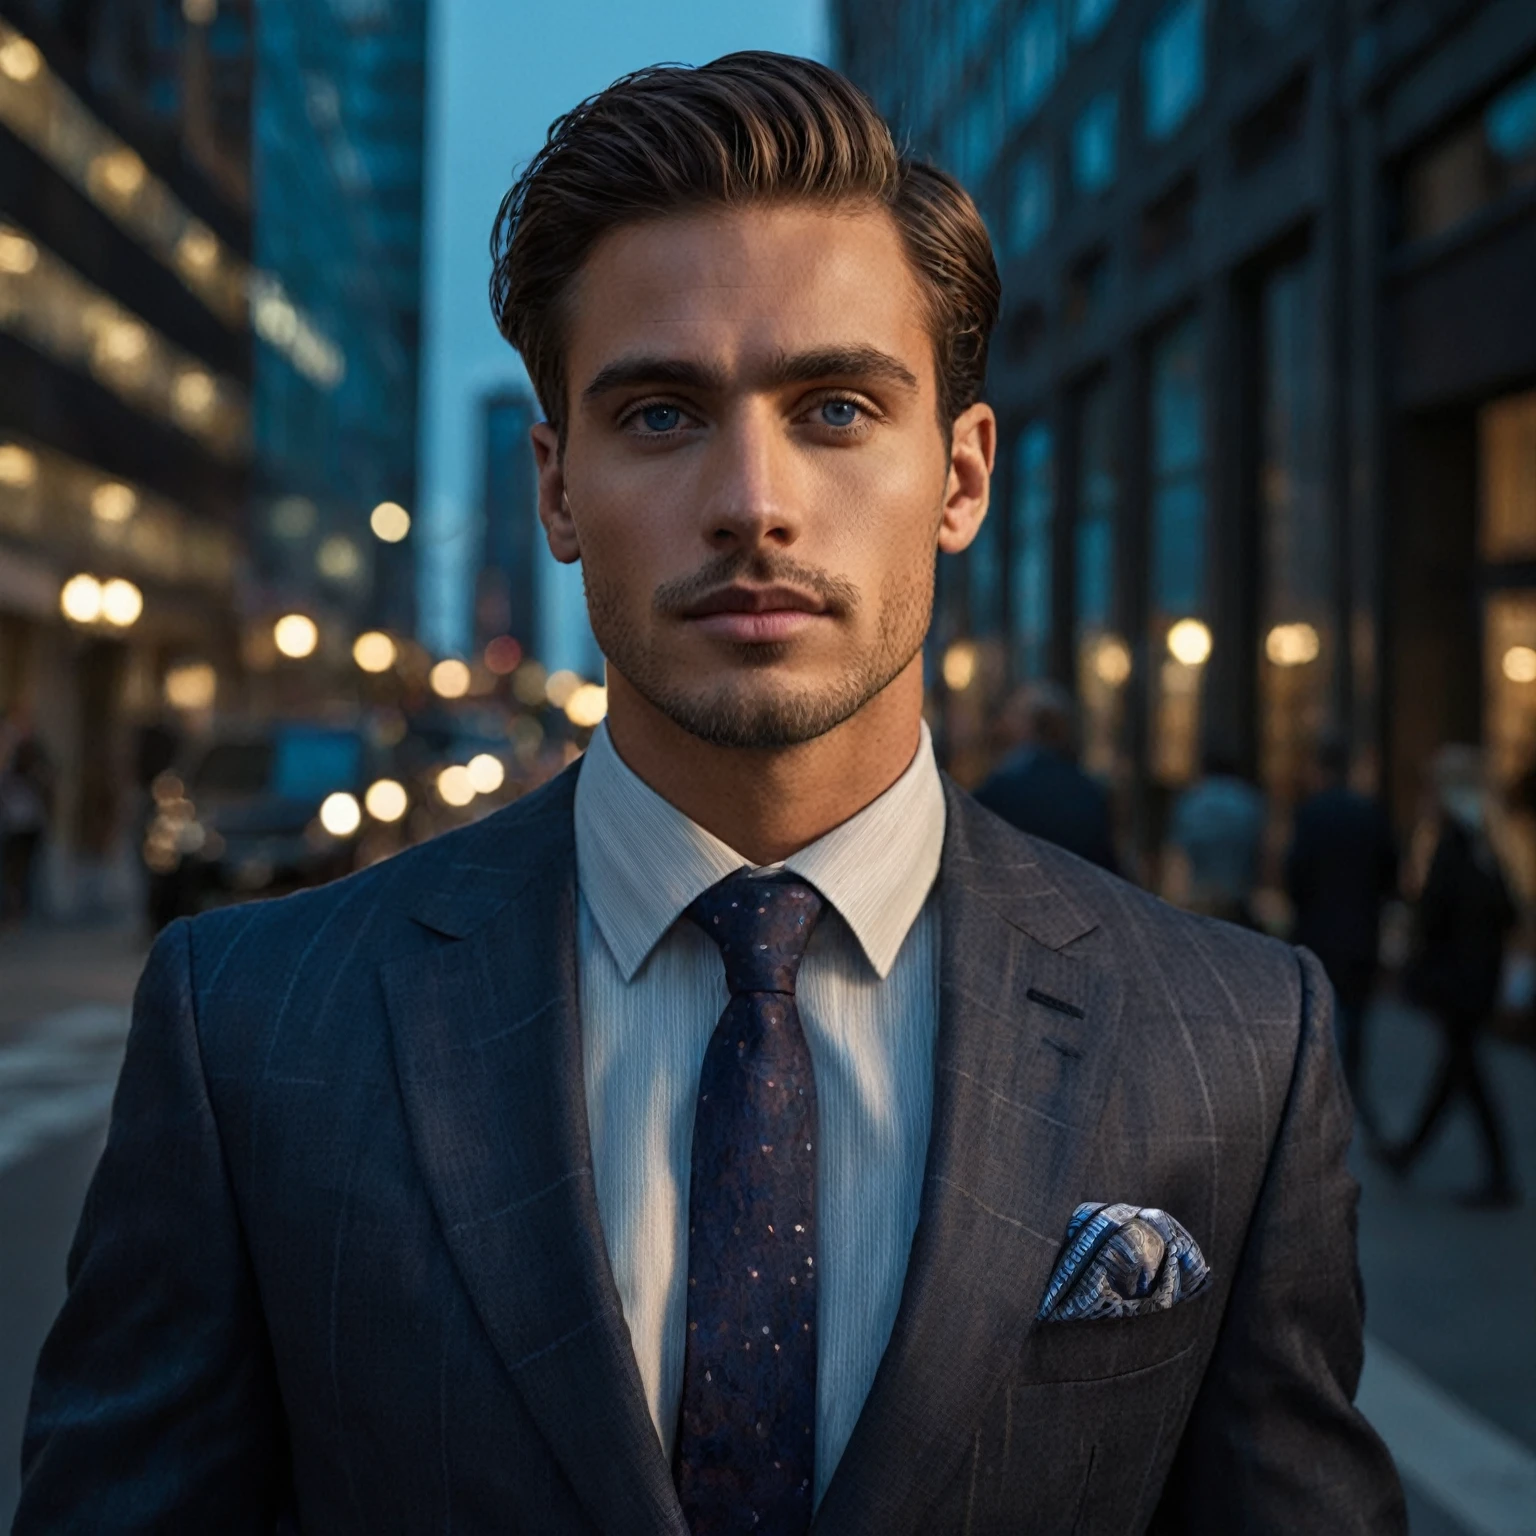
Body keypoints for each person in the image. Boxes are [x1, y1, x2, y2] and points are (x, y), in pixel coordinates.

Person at [15, 54, 1403, 1535]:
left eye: (838, 407)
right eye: (664, 414)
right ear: (555, 487)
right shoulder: (248, 1031)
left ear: (962, 474)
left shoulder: (1240, 1045)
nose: (753, 497)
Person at [1387, 746, 1519, 1208]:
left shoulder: (1461, 842)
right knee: (1459, 1069)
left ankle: (1496, 1175)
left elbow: (1443, 912)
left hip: (1464, 979)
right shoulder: (1481, 842)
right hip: (1474, 977)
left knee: (1464, 1071)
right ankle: (1411, 1153)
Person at [1285, 733, 1397, 1118]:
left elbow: (1295, 874)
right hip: (1361, 930)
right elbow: (1390, 874)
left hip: (1318, 929)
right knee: (1357, 1014)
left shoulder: (1311, 814)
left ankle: (1321, 1085)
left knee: (1318, 1011)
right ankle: (1353, 1084)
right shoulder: (1369, 813)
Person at [972, 681, 1119, 872]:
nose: (1002, 724)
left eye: (1012, 715)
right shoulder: (1088, 789)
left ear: (1030, 725)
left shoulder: (1002, 789)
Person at [1166, 748, 1267, 927]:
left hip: (1199, 897)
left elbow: (1179, 852)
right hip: (1236, 896)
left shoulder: (1192, 799)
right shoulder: (1247, 799)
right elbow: (1260, 850)